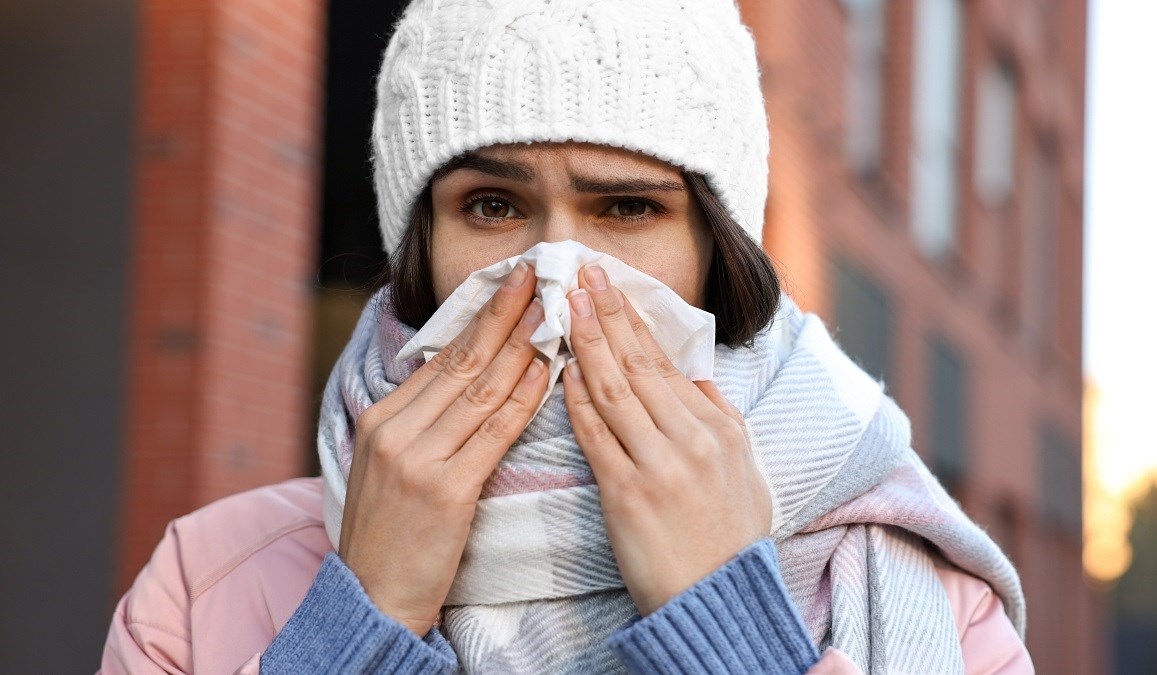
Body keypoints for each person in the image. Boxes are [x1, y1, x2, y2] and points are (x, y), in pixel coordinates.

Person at [101, 0, 1034, 673]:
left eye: (627, 206)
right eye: (493, 204)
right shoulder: (209, 581)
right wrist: (360, 623)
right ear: (420, 249)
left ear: (717, 253)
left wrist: (733, 630)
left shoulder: (931, 597)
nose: (556, 276)